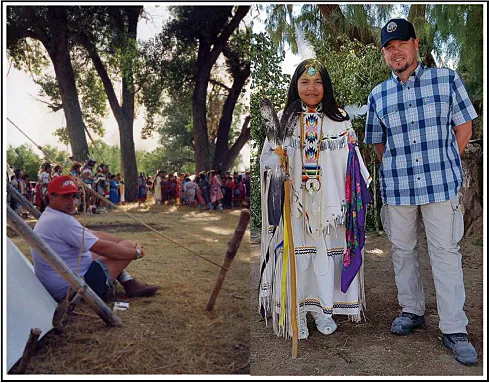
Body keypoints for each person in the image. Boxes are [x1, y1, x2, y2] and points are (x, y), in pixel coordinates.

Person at [364, 18, 478, 365]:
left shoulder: (446, 80)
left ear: (415, 44)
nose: (394, 51)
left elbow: (464, 125)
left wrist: (445, 160)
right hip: (398, 189)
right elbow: (377, 143)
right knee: (402, 251)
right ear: (384, 54)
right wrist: (399, 168)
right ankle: (412, 311)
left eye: (400, 43)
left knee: (445, 252)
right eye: (388, 47)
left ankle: (454, 328)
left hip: (441, 185)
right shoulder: (378, 95)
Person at [259, 58, 371, 341]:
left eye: (318, 82)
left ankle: (324, 309)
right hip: (295, 204)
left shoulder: (340, 120)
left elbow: (353, 165)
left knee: (326, 258)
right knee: (298, 257)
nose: (311, 88)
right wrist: (277, 164)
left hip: (332, 206)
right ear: (295, 85)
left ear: (326, 86)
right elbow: (267, 162)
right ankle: (297, 310)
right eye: (305, 82)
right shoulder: (284, 122)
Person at [31, 175, 160, 301]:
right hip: (73, 289)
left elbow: (92, 234)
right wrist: (135, 252)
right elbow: (102, 248)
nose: (72, 201)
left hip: (62, 284)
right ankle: (127, 283)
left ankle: (128, 282)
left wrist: (121, 241)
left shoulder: (51, 216)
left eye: (74, 196)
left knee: (114, 247)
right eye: (66, 197)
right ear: (51, 197)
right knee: (123, 248)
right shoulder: (61, 220)